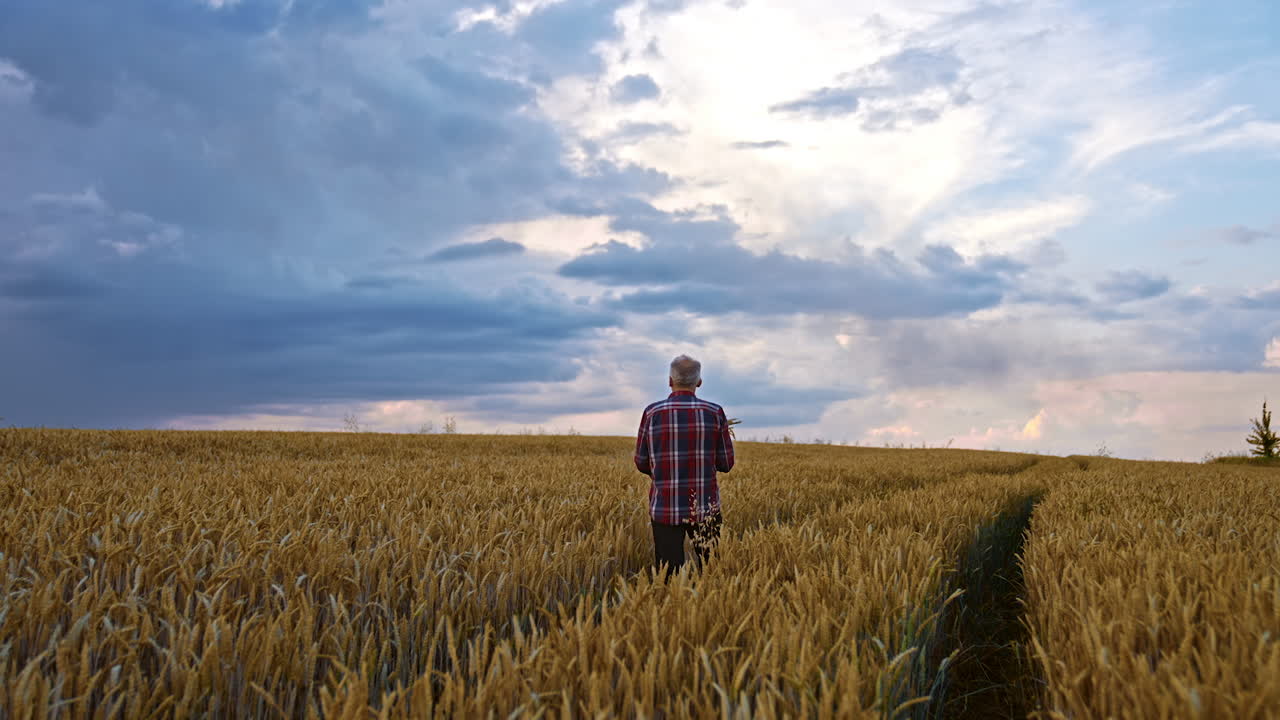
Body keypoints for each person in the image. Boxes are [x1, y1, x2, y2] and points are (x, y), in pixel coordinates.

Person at [634, 354, 734, 577]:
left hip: (665, 506)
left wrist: (664, 474)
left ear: (670, 380)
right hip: (705, 508)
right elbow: (726, 463)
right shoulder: (714, 412)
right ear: (699, 382)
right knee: (712, 572)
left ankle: (670, 608)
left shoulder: (652, 413)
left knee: (668, 574)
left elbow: (641, 462)